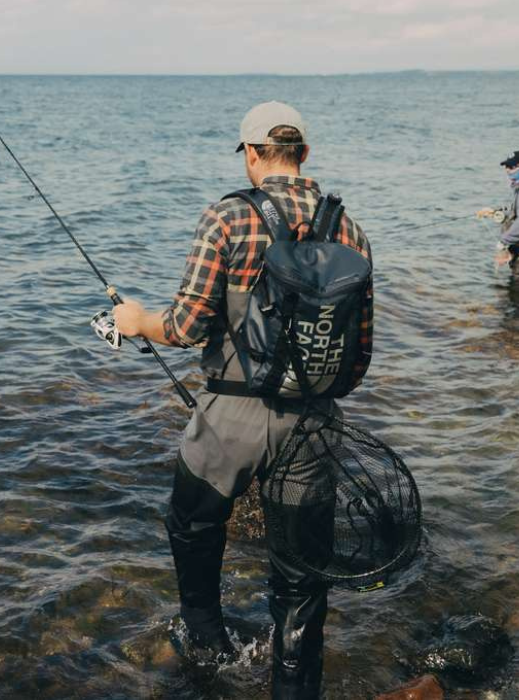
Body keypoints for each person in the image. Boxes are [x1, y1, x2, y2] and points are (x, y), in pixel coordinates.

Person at [112, 101, 373, 699]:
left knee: (192, 523)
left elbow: (184, 326)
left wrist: (134, 320)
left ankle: (207, 645)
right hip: (314, 423)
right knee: (302, 575)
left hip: (229, 415)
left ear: (252, 154)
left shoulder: (227, 218)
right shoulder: (350, 230)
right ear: (304, 154)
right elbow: (359, 355)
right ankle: (295, 689)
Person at [477, 150, 519, 287]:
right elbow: (518, 215)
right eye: (506, 166)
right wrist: (494, 213)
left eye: (513, 167)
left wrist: (503, 242)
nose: (508, 170)